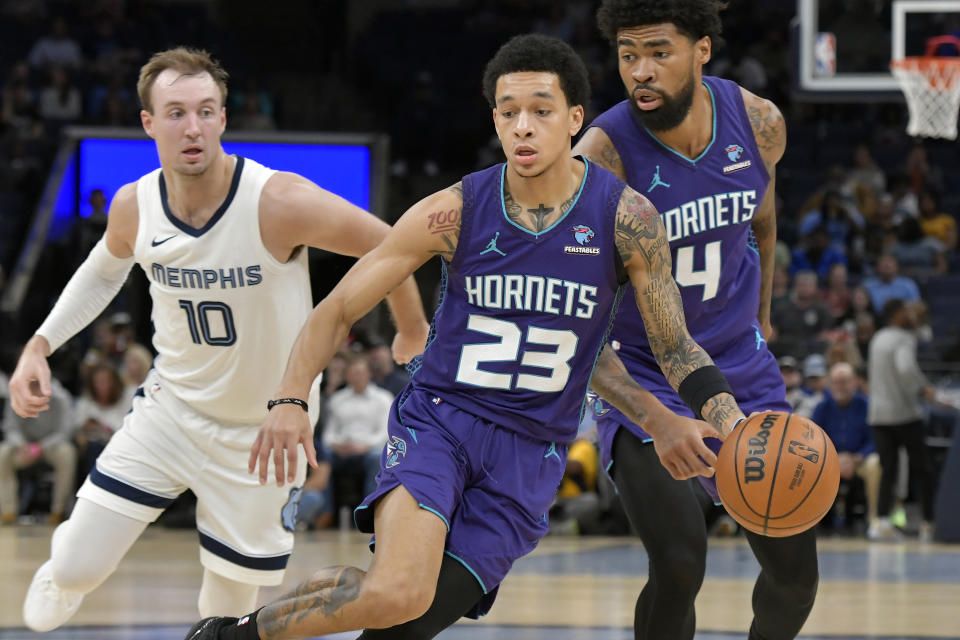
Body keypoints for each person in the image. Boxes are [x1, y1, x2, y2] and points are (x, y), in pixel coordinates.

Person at [184, 34, 746, 640]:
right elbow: (338, 308)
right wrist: (291, 400)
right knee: (398, 591)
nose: (522, 128)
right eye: (508, 113)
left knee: (397, 622)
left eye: (541, 110)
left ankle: (274, 617)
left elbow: (672, 347)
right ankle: (230, 637)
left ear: (575, 118)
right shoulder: (454, 211)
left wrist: (733, 427)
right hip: (441, 424)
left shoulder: (628, 219)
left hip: (531, 454)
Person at [6, 47, 429, 632]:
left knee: (227, 615)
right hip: (171, 413)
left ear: (224, 119)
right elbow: (104, 270)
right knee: (76, 566)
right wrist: (40, 344)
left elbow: (395, 244)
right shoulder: (135, 205)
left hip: (266, 433)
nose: (193, 127)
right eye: (176, 113)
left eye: (206, 111)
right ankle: (62, 577)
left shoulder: (278, 202)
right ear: (149, 124)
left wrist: (412, 327)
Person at [573, 2, 820, 639]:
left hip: (741, 365)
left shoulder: (758, 122)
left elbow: (763, 223)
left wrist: (762, 311)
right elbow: (578, 311)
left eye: (659, 51)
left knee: (796, 578)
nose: (641, 71)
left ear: (702, 49)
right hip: (647, 371)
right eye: (629, 55)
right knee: (681, 562)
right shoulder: (601, 155)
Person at [866, 298, 937, 542]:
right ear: (897, 314)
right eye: (906, 310)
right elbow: (906, 368)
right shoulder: (903, 339)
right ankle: (929, 521)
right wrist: (923, 389)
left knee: (889, 470)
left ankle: (882, 521)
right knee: (923, 469)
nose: (910, 313)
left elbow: (924, 333)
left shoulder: (879, 337)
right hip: (904, 414)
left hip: (879, 415)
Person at [811, 362, 879, 532]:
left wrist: (857, 458)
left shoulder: (867, 406)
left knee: (875, 464)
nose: (840, 386)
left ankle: (875, 521)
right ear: (830, 384)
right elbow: (812, 440)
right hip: (829, 461)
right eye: (836, 382)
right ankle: (807, 518)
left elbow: (876, 440)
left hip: (858, 460)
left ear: (854, 382)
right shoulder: (822, 408)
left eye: (844, 381)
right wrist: (834, 460)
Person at [0, 376, 76, 525]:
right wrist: (22, 444)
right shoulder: (16, 395)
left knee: (67, 453)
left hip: (51, 446)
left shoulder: (61, 398)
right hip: (24, 448)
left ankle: (58, 511)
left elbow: (65, 431)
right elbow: (10, 427)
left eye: (39, 386)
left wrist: (41, 446)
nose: (35, 390)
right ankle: (8, 510)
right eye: (32, 386)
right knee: (2, 454)